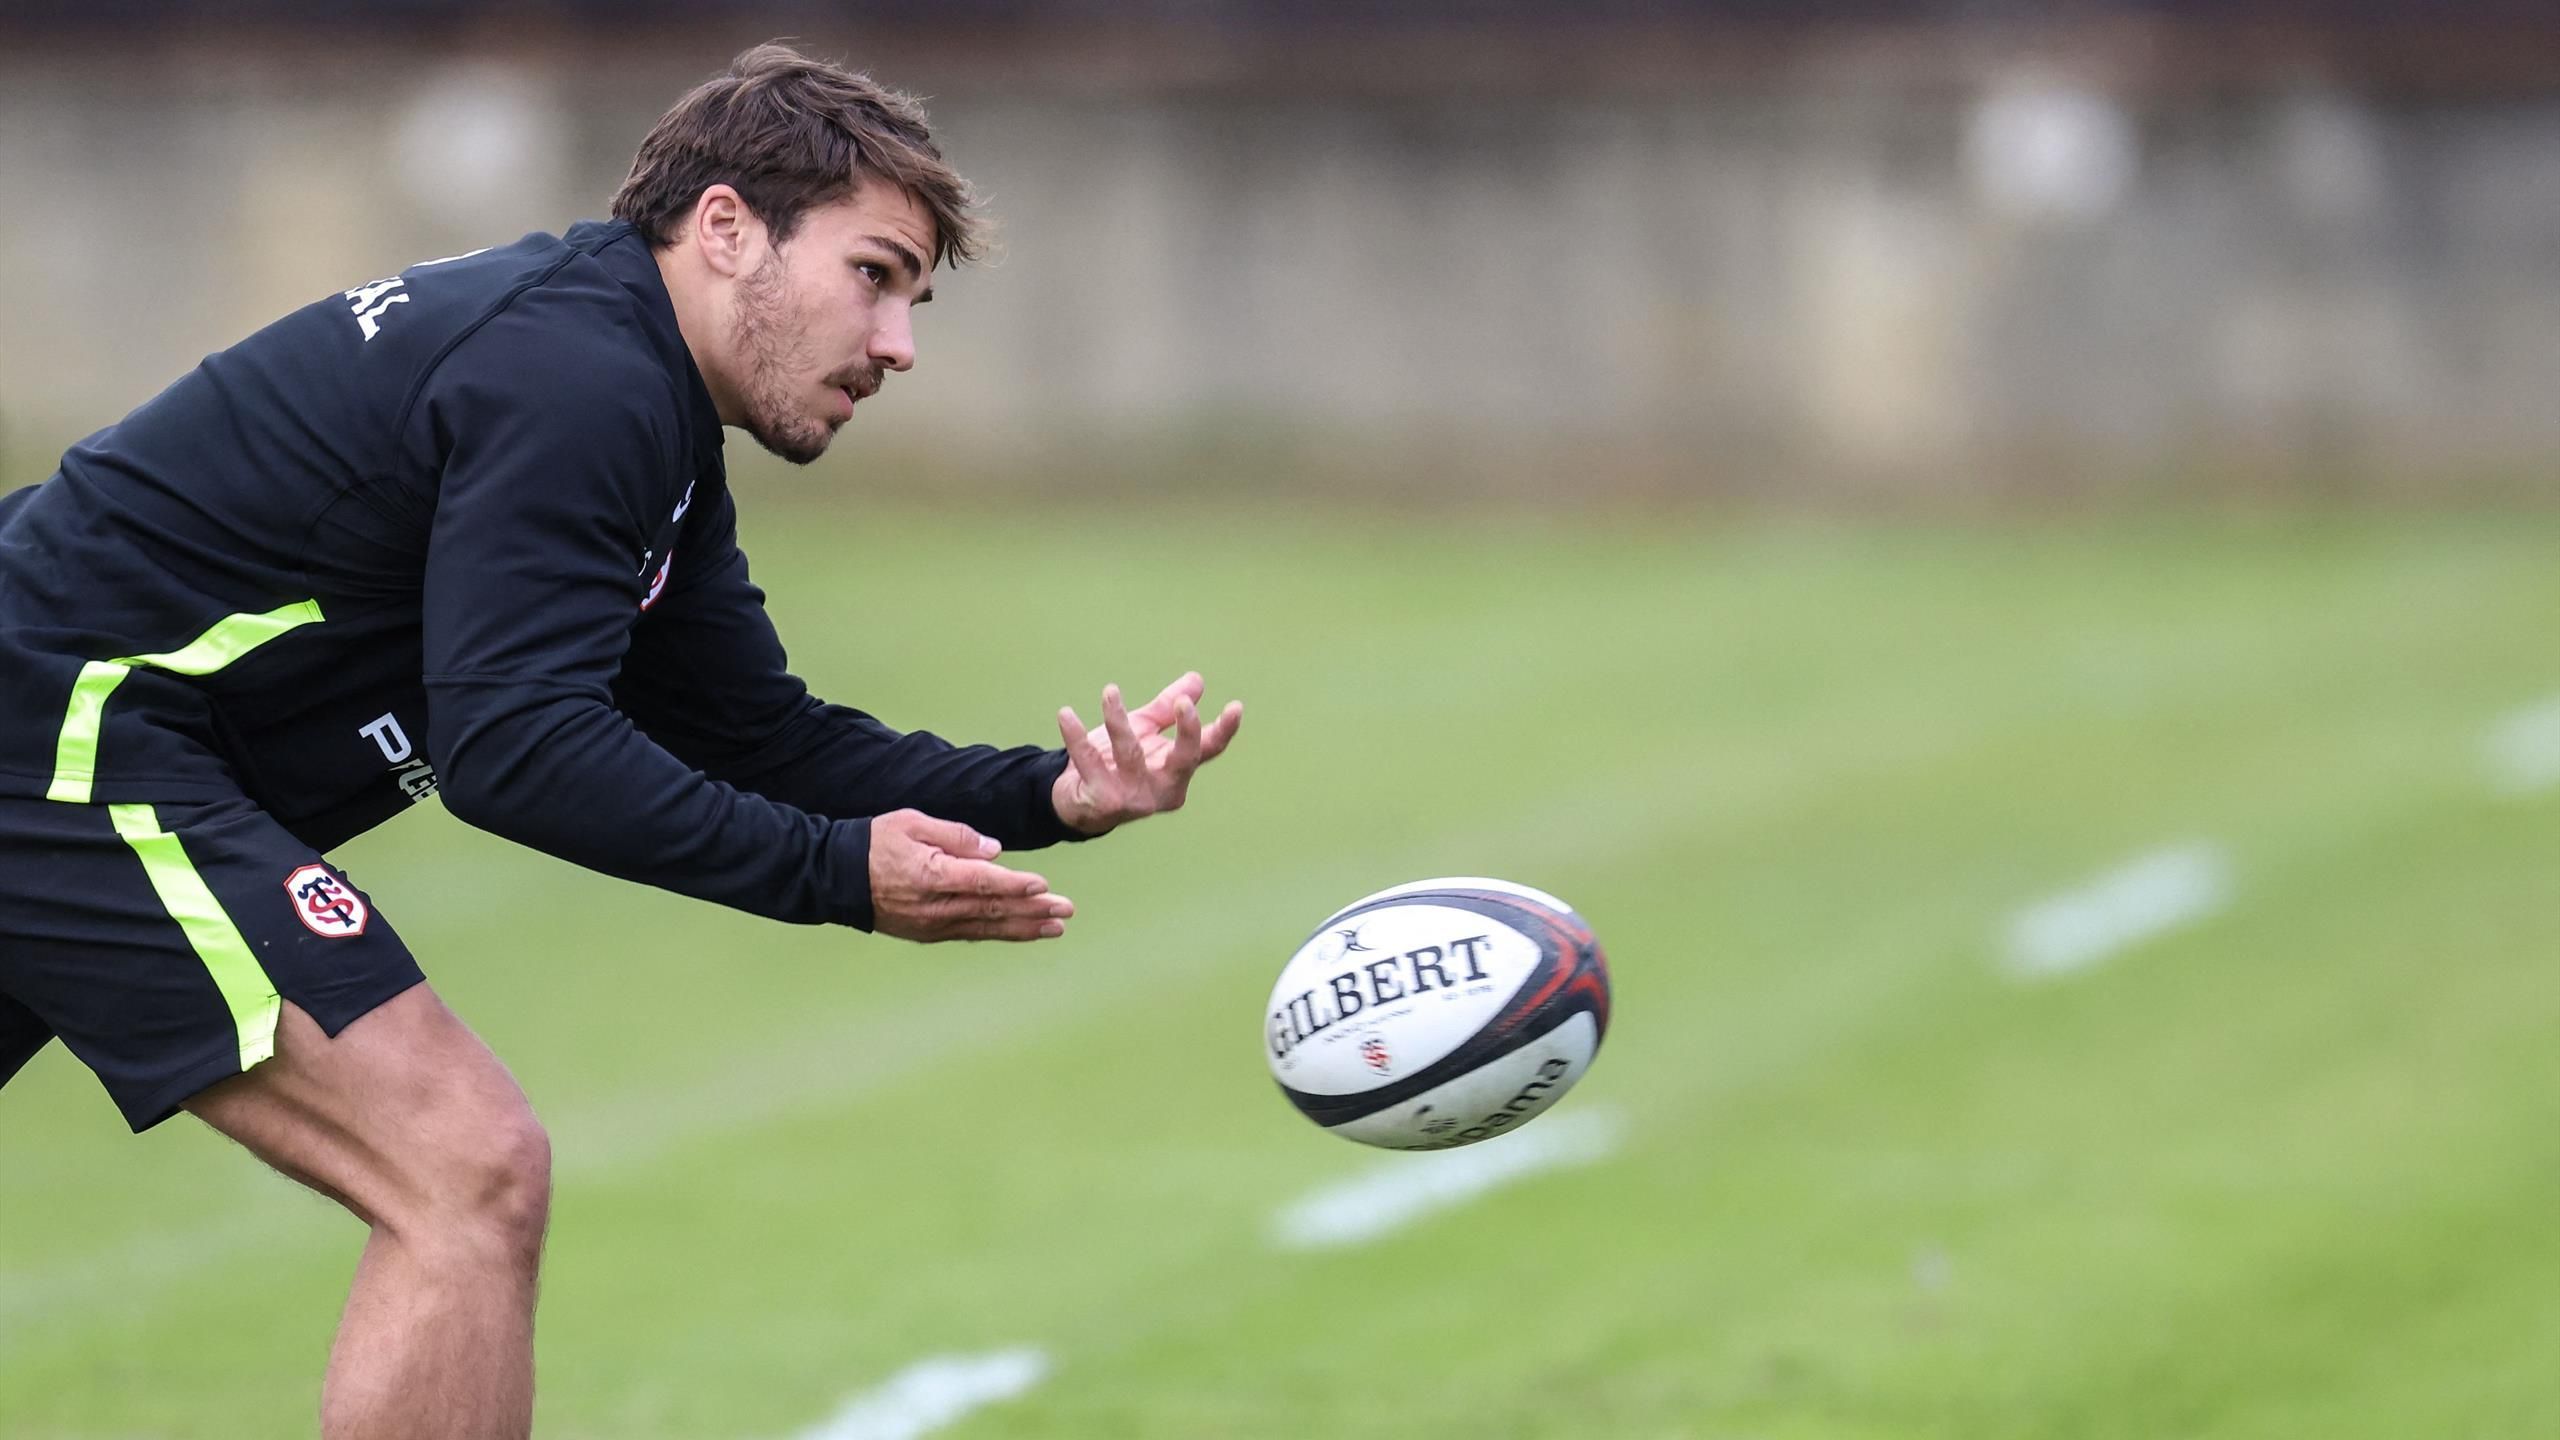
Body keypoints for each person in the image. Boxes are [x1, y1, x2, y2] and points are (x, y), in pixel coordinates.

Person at [0, 42, 1240, 1439]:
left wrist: (1051, 795)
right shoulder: (580, 381)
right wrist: (837, 875)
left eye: (915, 299)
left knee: (466, 1173)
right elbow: (513, 749)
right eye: (874, 276)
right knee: (466, 1171)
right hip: (71, 736)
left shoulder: (638, 411)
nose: (898, 344)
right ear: (724, 230)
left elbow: (758, 734)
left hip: (73, 729)